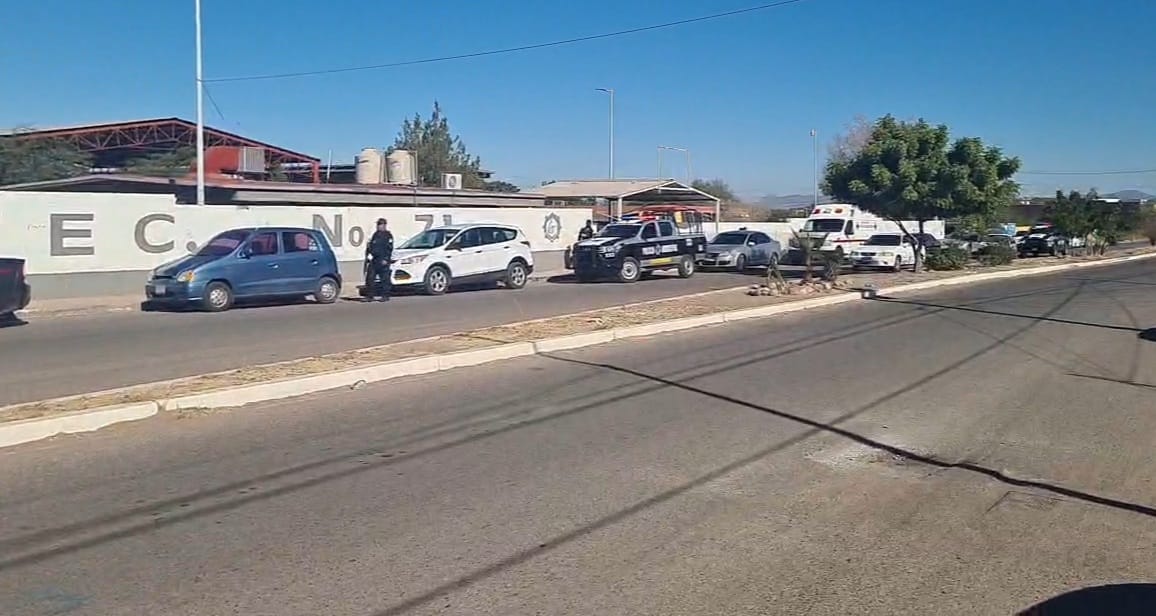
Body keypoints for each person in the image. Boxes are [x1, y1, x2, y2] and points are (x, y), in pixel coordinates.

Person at [365, 218, 394, 302]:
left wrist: (386, 259)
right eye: (378, 224)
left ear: (384, 225)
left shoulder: (388, 235)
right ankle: (370, 296)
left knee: (384, 279)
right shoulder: (375, 234)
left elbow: (389, 248)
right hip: (374, 259)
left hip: (383, 260)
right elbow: (372, 246)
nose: (378, 226)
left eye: (380, 224)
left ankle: (385, 295)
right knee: (370, 278)